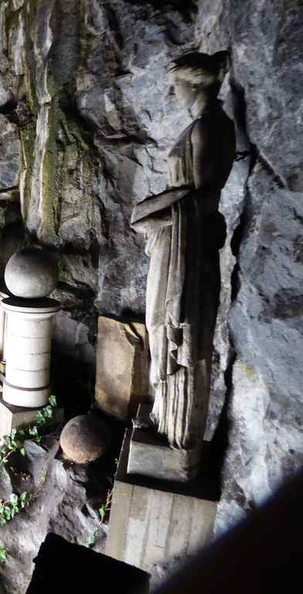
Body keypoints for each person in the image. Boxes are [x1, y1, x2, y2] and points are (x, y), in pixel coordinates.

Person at [130, 51, 235, 452]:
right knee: (159, 329)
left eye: (175, 84)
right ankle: (164, 412)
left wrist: (151, 212)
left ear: (193, 83)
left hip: (186, 242)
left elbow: (204, 197)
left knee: (177, 327)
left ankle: (180, 432)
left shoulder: (210, 128)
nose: (172, 92)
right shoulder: (201, 125)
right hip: (174, 239)